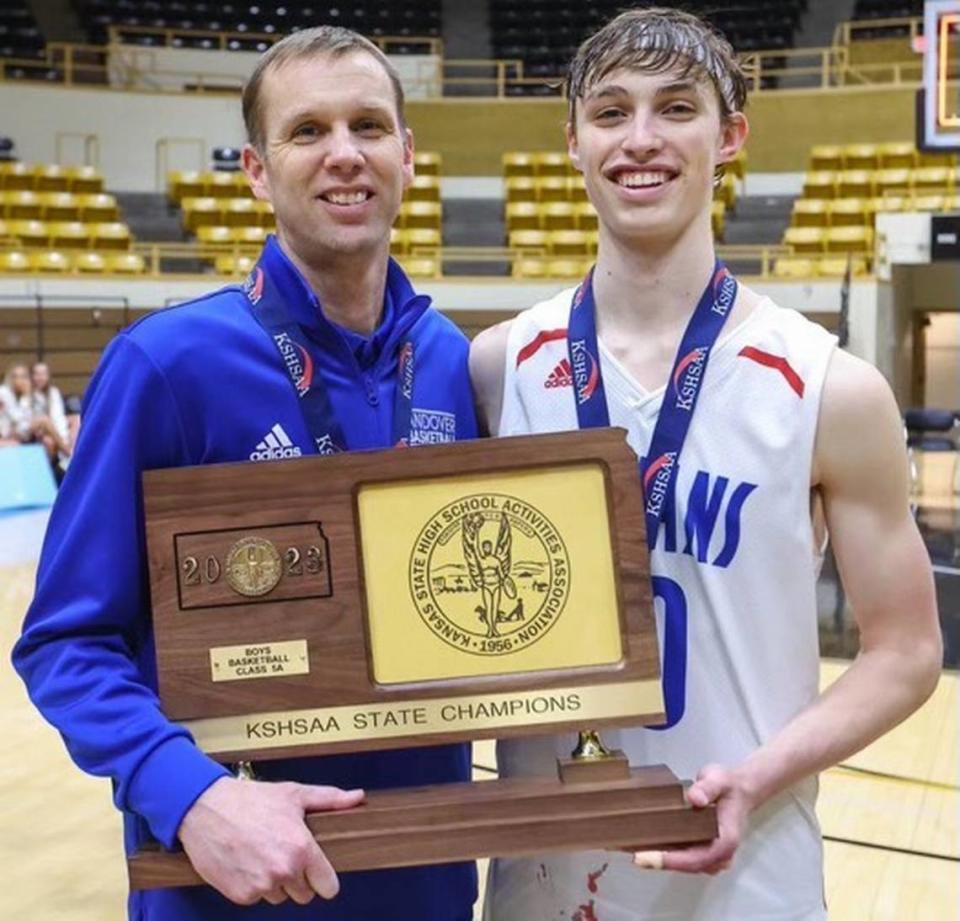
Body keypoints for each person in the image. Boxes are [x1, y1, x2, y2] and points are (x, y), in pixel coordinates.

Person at [470, 8, 941, 920]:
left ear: (729, 136)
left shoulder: (827, 386)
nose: (640, 140)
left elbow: (909, 649)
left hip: (748, 876)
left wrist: (757, 775)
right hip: (541, 880)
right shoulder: (498, 367)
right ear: (572, 142)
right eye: (610, 112)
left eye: (675, 108)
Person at [13, 26, 478, 921]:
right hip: (227, 888)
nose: (344, 154)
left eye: (368, 126)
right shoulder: (164, 364)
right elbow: (65, 643)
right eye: (307, 132)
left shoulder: (451, 361)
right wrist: (191, 793)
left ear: (408, 156)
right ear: (257, 171)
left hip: (423, 881)